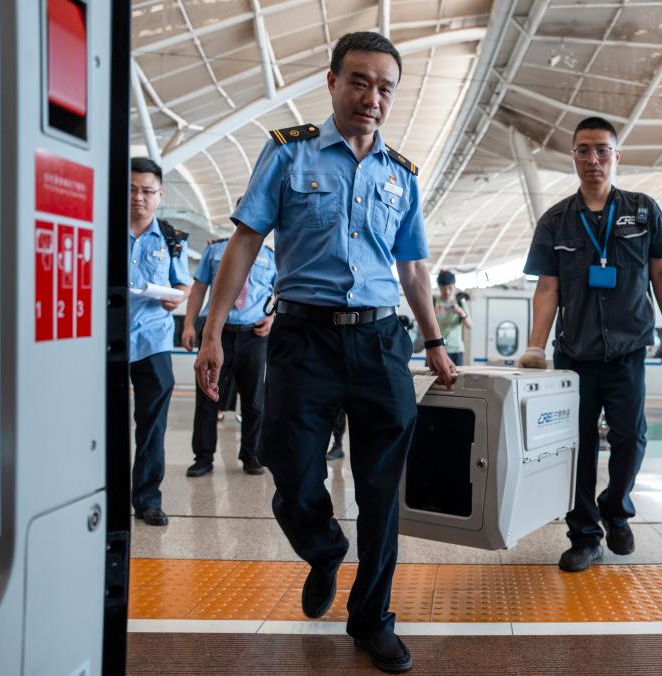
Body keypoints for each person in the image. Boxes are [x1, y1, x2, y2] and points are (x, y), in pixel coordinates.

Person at [193, 31, 456, 674]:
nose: (372, 97)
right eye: (360, 81)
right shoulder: (289, 152)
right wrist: (211, 330)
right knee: (288, 466)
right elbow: (246, 242)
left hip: (380, 341)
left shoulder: (401, 175)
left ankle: (372, 619)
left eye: (385, 88)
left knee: (381, 490)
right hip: (302, 338)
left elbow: (413, 270)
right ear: (333, 81)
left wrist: (434, 342)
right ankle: (323, 548)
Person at [519, 116, 662, 572]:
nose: (593, 159)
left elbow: (661, 272)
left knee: (631, 438)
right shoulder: (556, 220)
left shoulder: (643, 210)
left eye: (601, 150)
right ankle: (585, 536)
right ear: (573, 156)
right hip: (574, 355)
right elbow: (548, 288)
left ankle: (616, 508)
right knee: (577, 447)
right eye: (583, 150)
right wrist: (535, 347)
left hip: (628, 349)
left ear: (616, 156)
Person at [127, 156, 191, 527]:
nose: (139, 197)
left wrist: (177, 296)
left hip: (153, 340)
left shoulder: (172, 239)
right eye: (131, 189)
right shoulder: (101, 228)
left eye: (147, 191)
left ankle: (147, 499)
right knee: (100, 422)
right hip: (107, 341)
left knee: (152, 426)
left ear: (160, 194)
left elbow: (182, 283)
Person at [181, 235, 276, 477]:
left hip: (254, 335)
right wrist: (189, 324)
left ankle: (251, 455)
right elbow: (199, 287)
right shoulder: (215, 250)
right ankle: (203, 457)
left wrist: (272, 318)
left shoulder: (271, 256)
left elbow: (281, 291)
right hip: (217, 333)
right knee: (207, 396)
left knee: (255, 400)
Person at [433, 270, 472, 366]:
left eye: (450, 288)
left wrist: (461, 313)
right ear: (439, 287)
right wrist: (434, 315)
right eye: (443, 289)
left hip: (456, 350)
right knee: (433, 375)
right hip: (436, 348)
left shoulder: (460, 302)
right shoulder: (433, 301)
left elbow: (470, 325)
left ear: (454, 286)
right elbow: (422, 326)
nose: (447, 292)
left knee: (456, 375)